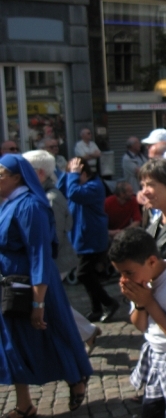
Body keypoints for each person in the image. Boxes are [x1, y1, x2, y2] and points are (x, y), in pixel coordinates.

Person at [0, 154, 92, 417]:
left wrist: (38, 301)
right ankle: (24, 404)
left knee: (52, 334)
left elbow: (39, 253)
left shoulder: (30, 206)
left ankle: (76, 378)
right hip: (9, 284)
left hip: (33, 284)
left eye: (1, 174)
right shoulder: (6, 203)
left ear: (17, 177)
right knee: (13, 343)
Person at [23, 150, 101, 353]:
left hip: (54, 260)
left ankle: (86, 332)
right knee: (51, 301)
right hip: (50, 260)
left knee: (49, 301)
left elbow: (52, 235)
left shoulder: (50, 198)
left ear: (39, 173)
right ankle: (86, 332)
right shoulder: (45, 192)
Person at [109, 228, 166, 418]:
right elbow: (140, 325)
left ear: (152, 261)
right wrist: (139, 304)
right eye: (120, 273)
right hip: (155, 355)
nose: (124, 279)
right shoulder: (141, 280)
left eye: (128, 272)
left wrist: (148, 301)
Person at [65, 157, 120, 322]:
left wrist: (74, 175)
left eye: (74, 173)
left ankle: (109, 303)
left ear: (83, 172)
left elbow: (73, 193)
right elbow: (63, 187)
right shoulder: (76, 183)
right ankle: (96, 309)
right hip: (80, 237)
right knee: (89, 275)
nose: (71, 177)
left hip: (91, 239)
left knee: (83, 274)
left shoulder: (94, 186)